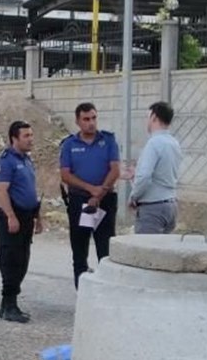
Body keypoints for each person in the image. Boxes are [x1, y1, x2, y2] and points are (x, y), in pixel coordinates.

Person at [60, 103, 121, 288]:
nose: (91, 123)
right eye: (86, 119)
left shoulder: (108, 140)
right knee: (79, 250)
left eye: (94, 118)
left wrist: (99, 192)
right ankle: (82, 292)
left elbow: (115, 169)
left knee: (106, 250)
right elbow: (65, 175)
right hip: (79, 201)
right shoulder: (70, 144)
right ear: (78, 121)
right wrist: (90, 189)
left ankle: (108, 290)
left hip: (105, 201)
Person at [0, 121, 43, 324]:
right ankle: (9, 304)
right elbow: (0, 191)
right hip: (12, 216)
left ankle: (9, 304)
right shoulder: (6, 161)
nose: (31, 139)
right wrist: (11, 216)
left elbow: (31, 191)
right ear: (14, 138)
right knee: (11, 260)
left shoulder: (27, 160)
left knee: (22, 261)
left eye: (31, 135)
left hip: (27, 216)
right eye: (26, 136)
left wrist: (38, 218)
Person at [129, 101, 182, 234]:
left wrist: (134, 196)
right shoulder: (174, 143)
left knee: (145, 252)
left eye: (148, 117)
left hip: (153, 208)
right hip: (170, 205)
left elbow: (145, 176)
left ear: (154, 117)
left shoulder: (153, 143)